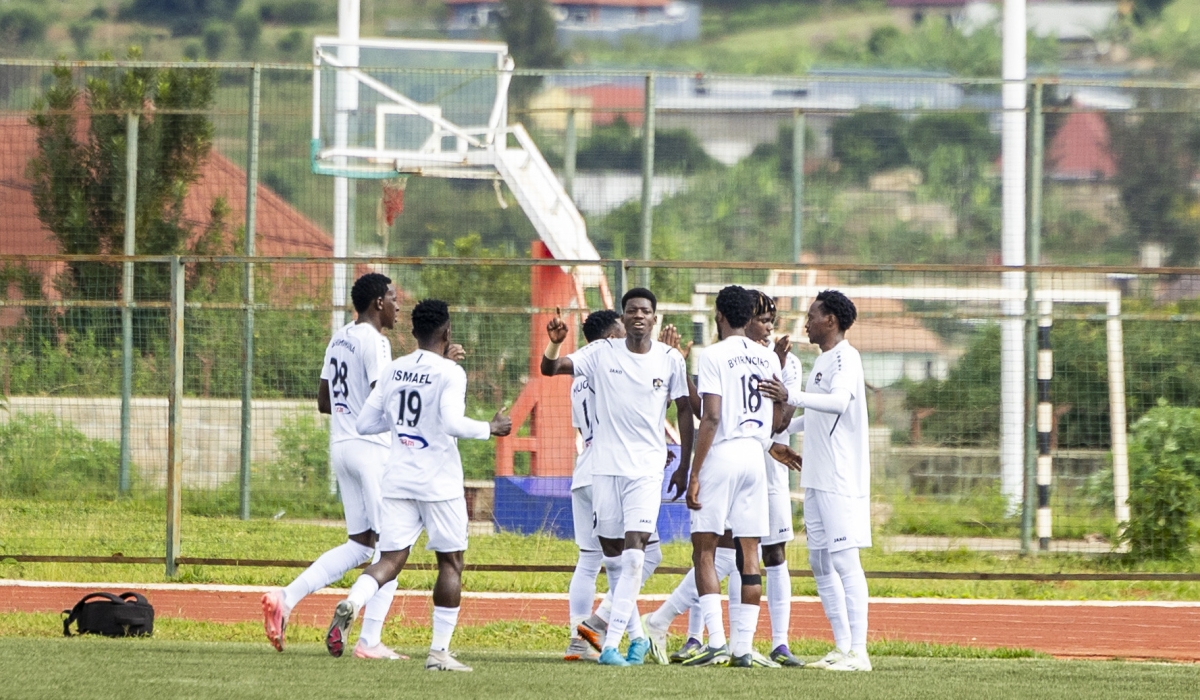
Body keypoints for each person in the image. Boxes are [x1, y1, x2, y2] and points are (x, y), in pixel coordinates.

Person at [325, 299, 512, 672]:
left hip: (397, 479)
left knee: (390, 560)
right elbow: (451, 423)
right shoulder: (450, 373)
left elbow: (365, 423)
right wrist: (490, 428)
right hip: (438, 484)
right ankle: (439, 653)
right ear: (446, 333)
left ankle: (352, 603)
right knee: (451, 562)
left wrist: (401, 427)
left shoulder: (395, 369)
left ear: (412, 332)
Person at [541, 288, 694, 666]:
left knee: (634, 558)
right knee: (610, 560)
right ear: (621, 322)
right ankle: (620, 634)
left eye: (645, 310)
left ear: (654, 318)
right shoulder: (598, 357)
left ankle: (607, 642)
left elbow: (688, 408)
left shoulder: (668, 359)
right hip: (601, 469)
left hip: (642, 471)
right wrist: (554, 345)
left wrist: (684, 465)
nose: (637, 316)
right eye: (630, 311)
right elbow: (550, 369)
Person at [261, 273, 404, 659]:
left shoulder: (339, 335)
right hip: (371, 449)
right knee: (392, 549)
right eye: (393, 297)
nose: (397, 305)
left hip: (341, 446)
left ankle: (286, 597)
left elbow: (324, 400)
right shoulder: (377, 342)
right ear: (377, 302)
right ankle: (368, 639)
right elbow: (381, 399)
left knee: (360, 545)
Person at [676, 285, 784, 667]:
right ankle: (743, 648)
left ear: (719, 315)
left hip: (722, 452)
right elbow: (775, 416)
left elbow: (711, 416)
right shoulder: (767, 356)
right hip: (756, 455)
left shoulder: (713, 355)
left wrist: (694, 472)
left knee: (704, 549)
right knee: (750, 553)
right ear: (748, 316)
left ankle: (717, 641)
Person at [781, 290, 873, 672]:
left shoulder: (846, 358)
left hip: (840, 477)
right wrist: (777, 434)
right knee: (819, 562)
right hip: (816, 477)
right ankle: (842, 647)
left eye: (812, 315)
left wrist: (792, 396)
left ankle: (859, 653)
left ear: (830, 320)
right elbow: (816, 415)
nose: (807, 322)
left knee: (844, 560)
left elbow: (837, 403)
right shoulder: (822, 359)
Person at [747, 291, 806, 667]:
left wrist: (779, 364)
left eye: (772, 320)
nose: (768, 328)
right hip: (737, 466)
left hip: (771, 473)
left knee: (774, 553)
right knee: (730, 552)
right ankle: (718, 639)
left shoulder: (791, 364)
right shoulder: (733, 357)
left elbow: (781, 419)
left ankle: (780, 643)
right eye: (761, 320)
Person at [564, 309, 624, 662]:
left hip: (583, 469)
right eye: (621, 330)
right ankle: (599, 626)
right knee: (638, 557)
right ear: (609, 336)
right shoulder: (609, 366)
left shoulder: (578, 379)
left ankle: (577, 638)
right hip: (609, 470)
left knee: (589, 560)